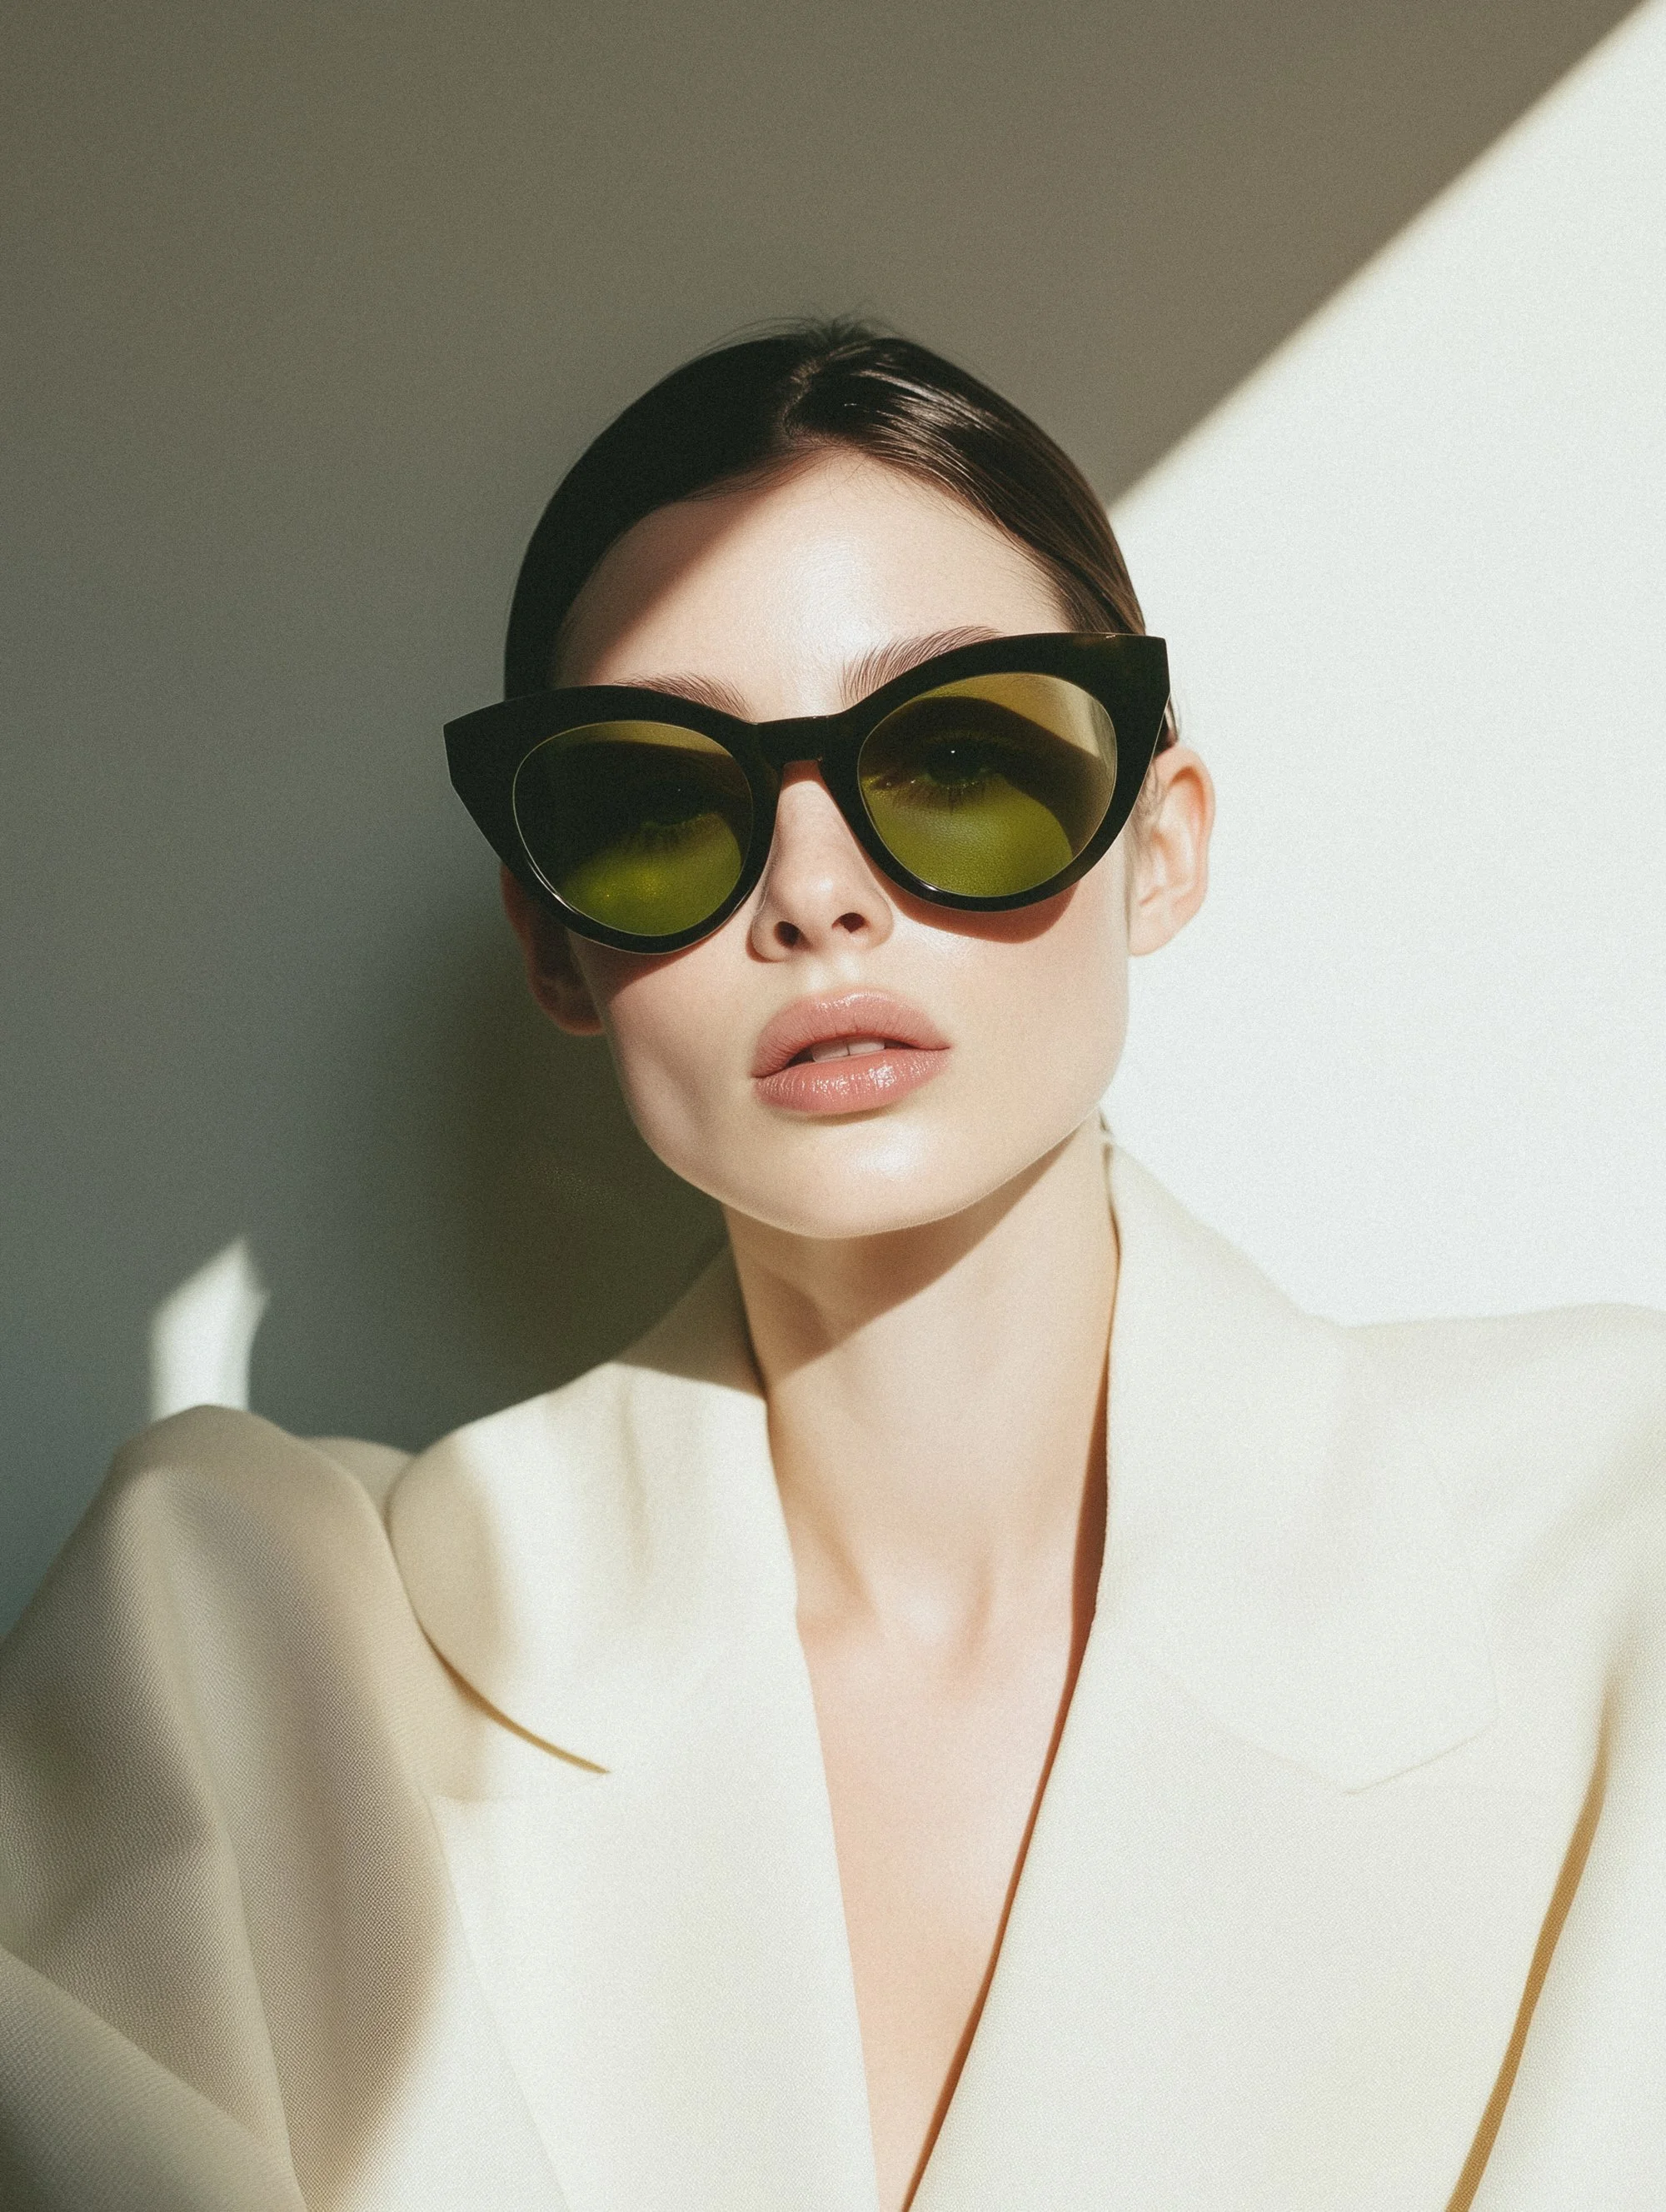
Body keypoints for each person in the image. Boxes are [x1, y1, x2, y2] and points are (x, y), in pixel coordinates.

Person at [2, 322, 1663, 2212]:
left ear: (1159, 843)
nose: (815, 893)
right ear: (553, 948)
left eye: (955, 756)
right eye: (657, 805)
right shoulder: (249, 1650)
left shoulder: (1611, 1551)